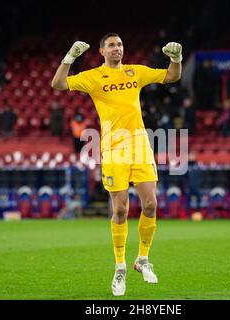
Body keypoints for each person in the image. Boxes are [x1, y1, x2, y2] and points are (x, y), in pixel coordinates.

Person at [51, 33, 182, 296]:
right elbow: (58, 84)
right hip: (113, 149)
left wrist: (176, 58)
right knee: (120, 210)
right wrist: (70, 58)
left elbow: (171, 76)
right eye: (111, 45)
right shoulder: (93, 76)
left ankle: (142, 259)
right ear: (101, 51)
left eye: (120, 44)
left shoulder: (135, 72)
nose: (117, 48)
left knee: (151, 204)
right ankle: (119, 268)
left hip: (140, 145)